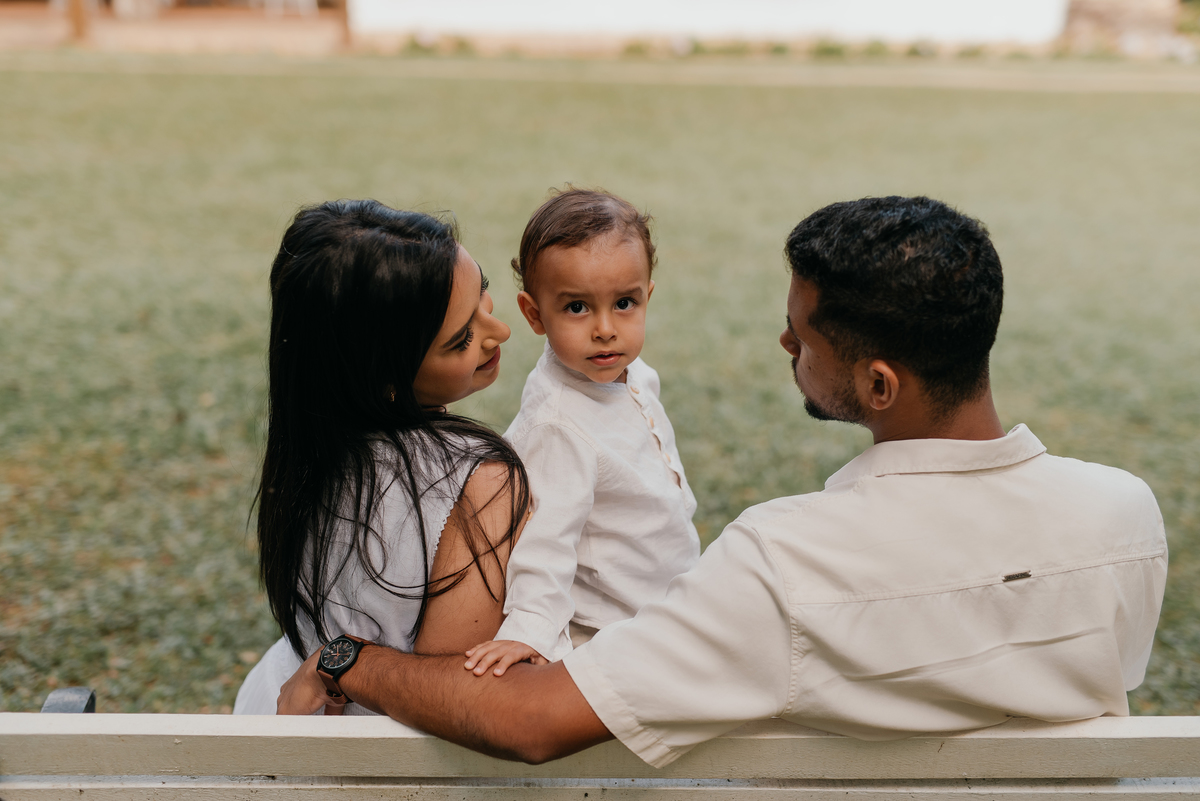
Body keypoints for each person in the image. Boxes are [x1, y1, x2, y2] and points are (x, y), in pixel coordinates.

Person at [276, 196, 1167, 767]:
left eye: (800, 335)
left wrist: (350, 657)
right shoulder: (1128, 513)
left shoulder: (786, 562)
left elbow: (531, 722)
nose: (784, 345)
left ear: (879, 383)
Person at [233, 199, 530, 715]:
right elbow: (462, 697)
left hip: (275, 707)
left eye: (485, 296)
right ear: (386, 380)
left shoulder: (309, 452)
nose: (499, 331)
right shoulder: (479, 483)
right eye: (462, 339)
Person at [463, 189, 700, 678]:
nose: (605, 329)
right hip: (610, 627)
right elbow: (545, 537)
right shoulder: (558, 425)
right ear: (534, 314)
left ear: (647, 296)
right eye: (576, 308)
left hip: (661, 598)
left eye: (625, 303)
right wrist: (527, 629)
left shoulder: (632, 375)